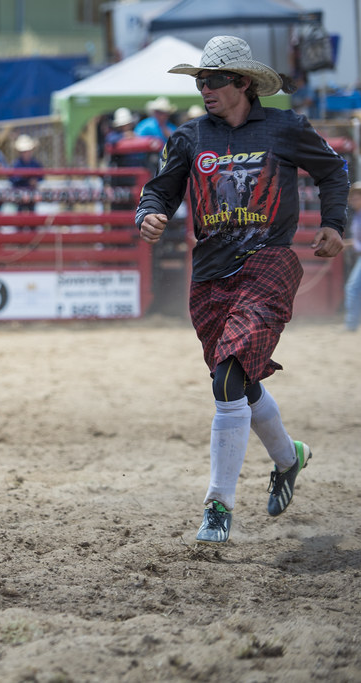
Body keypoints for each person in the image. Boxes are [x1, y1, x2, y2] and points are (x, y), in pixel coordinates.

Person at [136, 35, 347, 544]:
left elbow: (334, 170)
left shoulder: (285, 127)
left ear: (243, 83)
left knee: (227, 379)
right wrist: (150, 212)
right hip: (209, 277)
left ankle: (217, 507)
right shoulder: (188, 137)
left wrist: (334, 224)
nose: (204, 88)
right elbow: (161, 186)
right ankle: (288, 457)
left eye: (213, 80)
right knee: (239, 383)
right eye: (199, 80)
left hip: (269, 264)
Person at [344, 182, 361, 332]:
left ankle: (351, 324)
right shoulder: (357, 215)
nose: (354, 199)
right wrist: (346, 244)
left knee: (353, 287)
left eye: (357, 197)